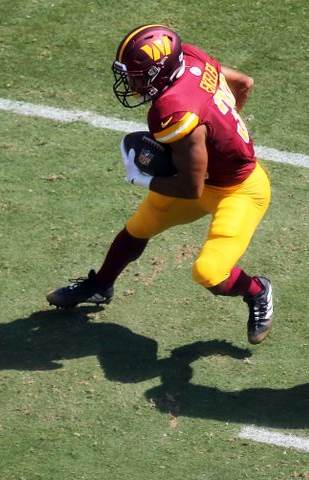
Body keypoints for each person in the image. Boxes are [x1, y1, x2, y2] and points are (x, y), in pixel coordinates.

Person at [47, 24, 274, 345]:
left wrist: (142, 177)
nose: (131, 82)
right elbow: (243, 83)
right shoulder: (190, 58)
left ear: (159, 73)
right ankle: (100, 287)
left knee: (210, 272)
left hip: (239, 191)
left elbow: (190, 189)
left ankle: (258, 291)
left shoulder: (173, 111)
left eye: (138, 76)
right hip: (206, 177)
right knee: (139, 226)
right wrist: (220, 127)